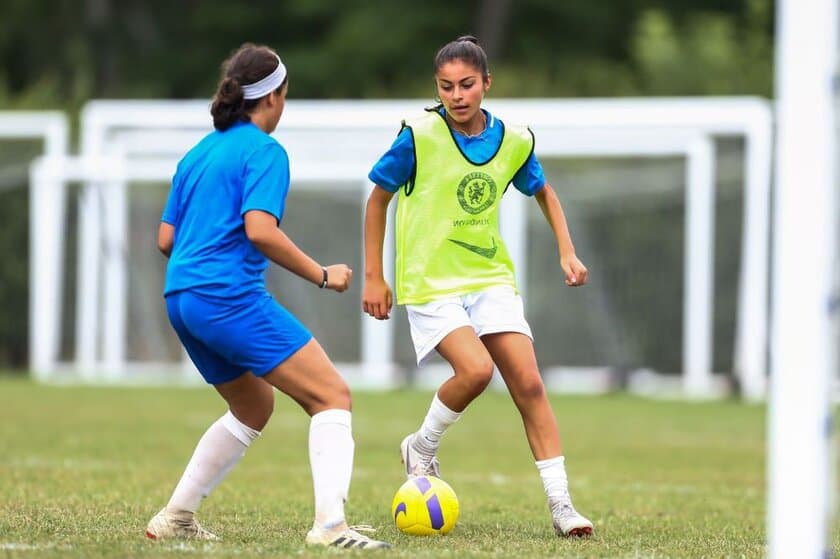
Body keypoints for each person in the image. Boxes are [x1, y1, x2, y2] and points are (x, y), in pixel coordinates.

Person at [146, 43, 390, 550]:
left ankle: (177, 515)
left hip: (181, 298)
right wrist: (322, 274)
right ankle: (330, 527)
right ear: (274, 98)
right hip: (225, 296)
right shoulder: (265, 151)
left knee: (254, 405)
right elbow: (259, 229)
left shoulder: (198, 153)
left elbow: (166, 240)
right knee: (331, 395)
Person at [362, 35, 594, 538]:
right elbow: (377, 199)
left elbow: (544, 191)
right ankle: (422, 447)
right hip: (430, 281)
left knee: (529, 385)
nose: (457, 95)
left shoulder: (513, 140)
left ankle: (562, 506)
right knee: (475, 371)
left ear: (487, 83)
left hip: (489, 277)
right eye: (446, 87)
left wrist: (567, 250)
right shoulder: (418, 136)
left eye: (467, 84)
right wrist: (375, 275)